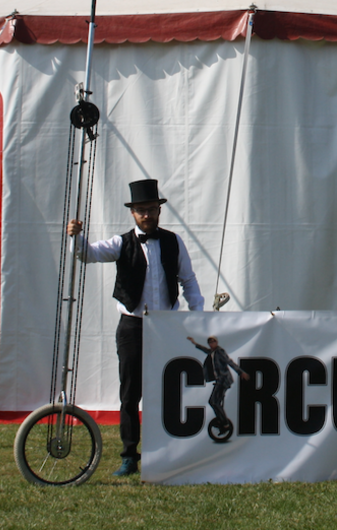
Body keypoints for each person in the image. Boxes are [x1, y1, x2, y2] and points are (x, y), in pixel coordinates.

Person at [67, 178, 204, 476]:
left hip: (167, 327)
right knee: (130, 394)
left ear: (159, 210)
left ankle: (169, 452)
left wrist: (198, 315)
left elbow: (188, 280)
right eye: (141, 210)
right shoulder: (121, 243)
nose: (147, 215)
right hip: (132, 326)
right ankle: (129, 455)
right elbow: (87, 254)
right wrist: (76, 238)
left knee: (169, 389)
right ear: (133, 213)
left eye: (151, 209)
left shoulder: (173, 242)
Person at [186, 335, 248, 441]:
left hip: (223, 381)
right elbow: (205, 350)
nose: (211, 344)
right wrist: (194, 343)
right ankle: (222, 421)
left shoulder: (219, 352)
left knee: (213, 402)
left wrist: (240, 372)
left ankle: (224, 423)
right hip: (220, 380)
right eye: (209, 343)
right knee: (215, 402)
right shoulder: (212, 352)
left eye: (213, 342)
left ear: (216, 342)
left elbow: (230, 362)